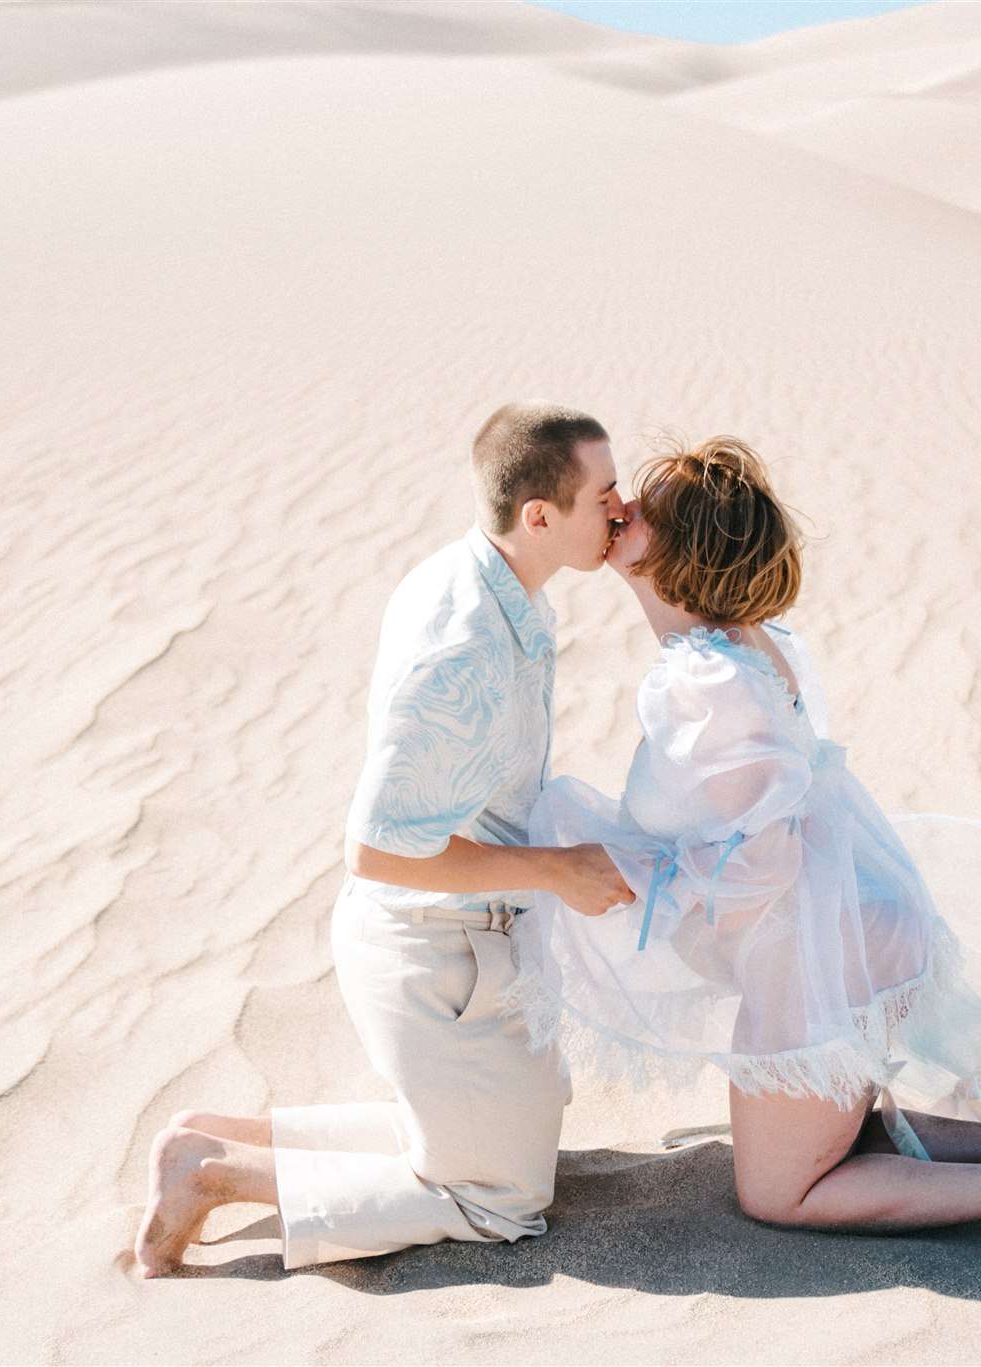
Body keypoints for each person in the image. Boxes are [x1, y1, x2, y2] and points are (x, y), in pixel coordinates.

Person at [499, 436, 981, 1252]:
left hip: (816, 949)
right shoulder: (739, 641)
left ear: (678, 557)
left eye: (646, 510)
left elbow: (764, 856)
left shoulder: (703, 682)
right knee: (828, 1130)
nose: (623, 510)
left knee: (782, 1188)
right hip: (847, 922)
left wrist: (646, 879)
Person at [133, 402, 634, 1276]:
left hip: (465, 938)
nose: (623, 510)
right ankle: (215, 1174)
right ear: (539, 516)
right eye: (606, 495)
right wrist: (556, 870)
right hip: (436, 951)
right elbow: (377, 849)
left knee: (505, 1141)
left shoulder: (489, 581)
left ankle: (212, 1135)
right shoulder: (466, 647)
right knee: (501, 1197)